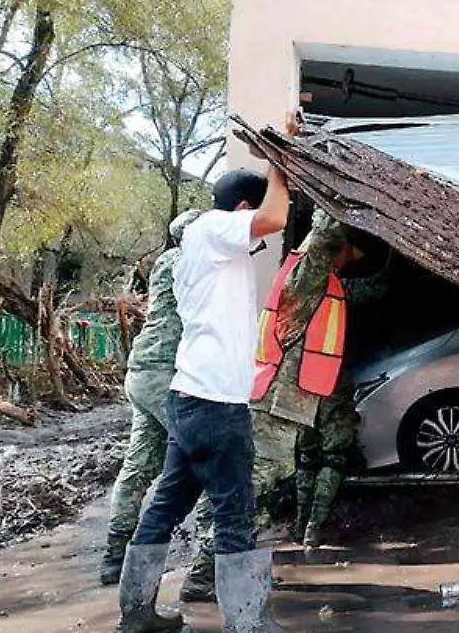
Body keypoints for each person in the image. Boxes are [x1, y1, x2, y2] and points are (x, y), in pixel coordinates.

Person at [114, 115, 293, 633]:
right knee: (236, 512)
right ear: (241, 210)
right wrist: (280, 160)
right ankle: (249, 623)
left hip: (189, 398)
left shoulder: (201, 246)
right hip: (214, 405)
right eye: (250, 221)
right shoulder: (215, 230)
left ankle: (137, 614)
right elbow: (275, 218)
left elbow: (264, 225)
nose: (256, 241)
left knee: (167, 503)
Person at [178, 208, 386, 601]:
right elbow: (324, 237)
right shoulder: (307, 276)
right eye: (343, 255)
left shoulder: (319, 282)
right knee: (253, 491)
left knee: (251, 485)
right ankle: (206, 576)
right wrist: (333, 191)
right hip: (277, 401)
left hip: (286, 400)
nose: (345, 262)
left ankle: (213, 569)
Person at [100, 210, 202, 586]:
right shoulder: (187, 260)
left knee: (139, 464)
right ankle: (206, 565)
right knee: (204, 454)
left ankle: (114, 558)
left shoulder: (165, 260)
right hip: (165, 375)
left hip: (142, 370)